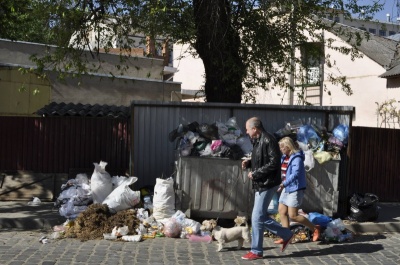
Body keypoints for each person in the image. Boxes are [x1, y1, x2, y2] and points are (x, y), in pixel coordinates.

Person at [241, 117, 294, 261]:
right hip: (262, 183)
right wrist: (249, 163)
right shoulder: (258, 140)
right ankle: (286, 235)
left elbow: (274, 163)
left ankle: (257, 251)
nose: (246, 132)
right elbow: (260, 159)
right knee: (258, 217)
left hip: (268, 183)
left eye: (247, 129)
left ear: (254, 129)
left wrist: (256, 173)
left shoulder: (268, 139)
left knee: (257, 217)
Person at [273, 136, 320, 244]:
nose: (280, 149)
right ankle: (286, 236)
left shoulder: (296, 158)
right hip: (286, 187)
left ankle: (315, 228)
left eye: (282, 147)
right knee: (282, 211)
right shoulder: (284, 157)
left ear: (288, 147)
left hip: (295, 188)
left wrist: (283, 184)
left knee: (293, 215)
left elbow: (295, 174)